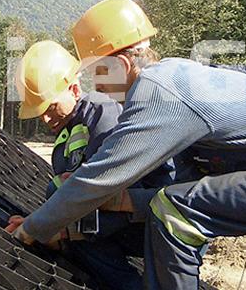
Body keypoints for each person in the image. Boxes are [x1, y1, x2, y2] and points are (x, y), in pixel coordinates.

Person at [7, 0, 246, 289]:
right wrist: (127, 201)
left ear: (119, 63)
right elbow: (191, 182)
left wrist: (35, 228)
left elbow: (99, 178)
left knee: (173, 211)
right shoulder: (182, 77)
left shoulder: (156, 93)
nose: (97, 87)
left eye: (98, 72)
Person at [12, 40, 188, 290]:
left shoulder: (104, 114)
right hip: (118, 222)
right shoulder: (66, 139)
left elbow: (118, 192)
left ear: (74, 90)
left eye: (50, 107)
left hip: (154, 218)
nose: (46, 118)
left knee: (67, 212)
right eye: (39, 112)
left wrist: (58, 231)